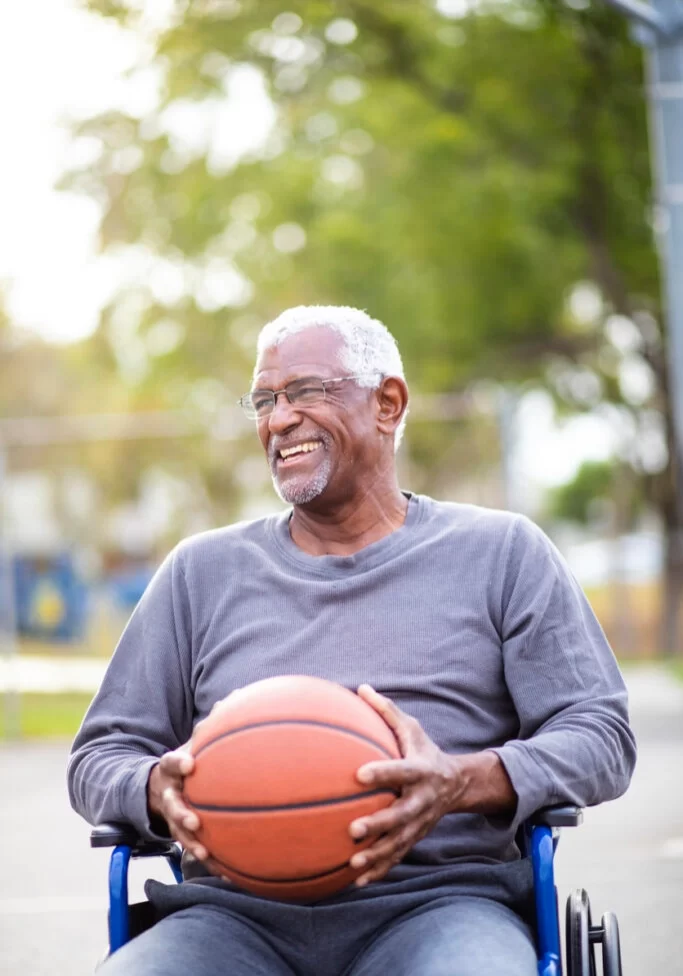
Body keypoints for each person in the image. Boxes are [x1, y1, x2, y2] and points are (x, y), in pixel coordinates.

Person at [68, 305, 636, 976]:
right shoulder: (200, 572)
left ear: (387, 403)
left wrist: (463, 781)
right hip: (231, 915)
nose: (278, 420)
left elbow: (601, 735)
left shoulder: (501, 553)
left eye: (305, 391)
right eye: (264, 401)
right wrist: (153, 786)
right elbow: (98, 756)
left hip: (439, 906)